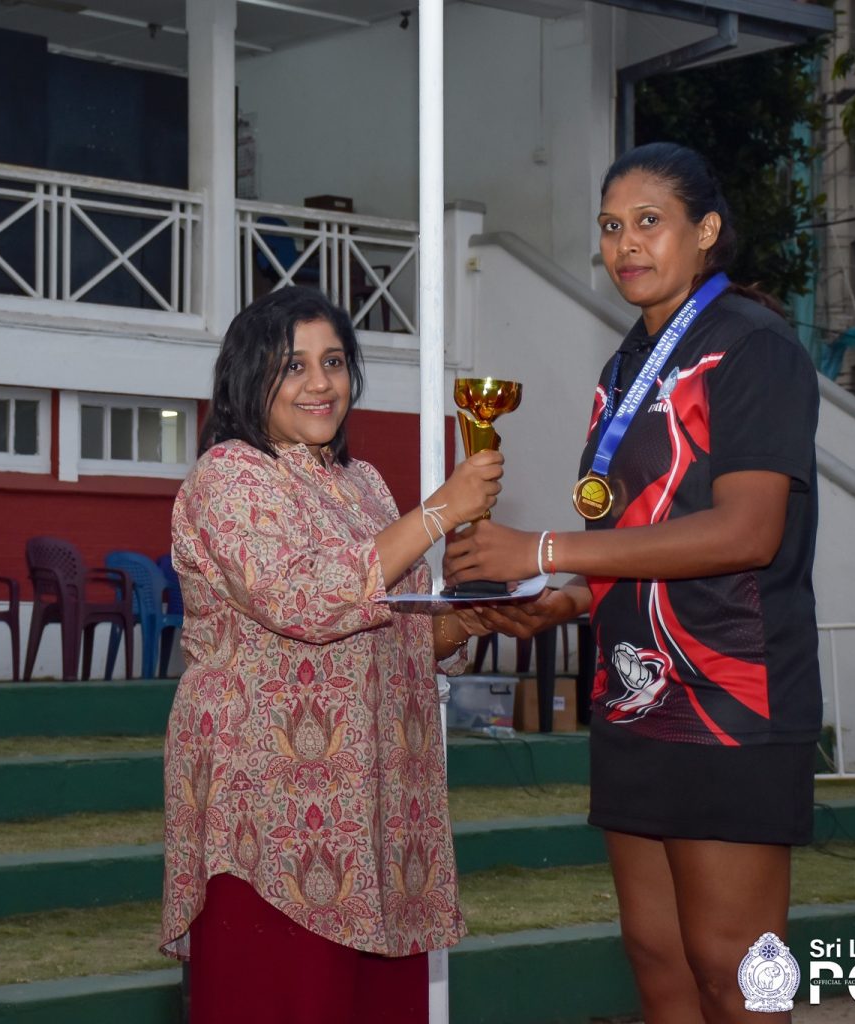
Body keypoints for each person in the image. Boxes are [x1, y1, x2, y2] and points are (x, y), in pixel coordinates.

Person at [444, 141, 821, 1023]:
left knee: (735, 970)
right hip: (635, 693)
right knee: (658, 960)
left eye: (650, 222)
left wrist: (545, 550)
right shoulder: (625, 365)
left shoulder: (754, 347)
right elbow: (641, 538)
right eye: (612, 227)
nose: (626, 245)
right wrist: (563, 600)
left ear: (707, 230)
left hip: (732, 696)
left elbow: (748, 532)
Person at [160, 286, 504, 1023]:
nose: (321, 383)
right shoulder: (230, 475)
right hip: (275, 813)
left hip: (380, 812)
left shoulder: (362, 483)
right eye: (294, 365)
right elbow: (305, 600)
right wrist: (440, 511)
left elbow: (395, 628)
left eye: (336, 362)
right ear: (250, 374)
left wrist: (467, 622)